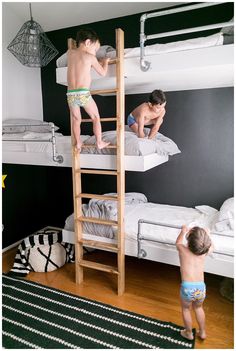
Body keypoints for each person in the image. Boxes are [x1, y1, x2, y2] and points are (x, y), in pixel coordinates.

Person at [67, 28, 110, 150]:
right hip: (83, 93)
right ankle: (99, 142)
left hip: (70, 94)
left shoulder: (70, 53)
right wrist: (105, 62)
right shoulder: (90, 57)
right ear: (87, 42)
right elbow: (102, 73)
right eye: (95, 49)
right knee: (95, 117)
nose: (95, 52)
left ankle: (78, 142)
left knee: (76, 119)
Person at [176, 225, 212, 341]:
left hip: (187, 288)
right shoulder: (204, 253)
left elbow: (178, 242)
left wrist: (183, 232)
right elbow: (211, 246)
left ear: (189, 241)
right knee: (198, 308)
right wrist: (208, 234)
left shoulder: (182, 250)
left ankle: (188, 333)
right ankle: (202, 332)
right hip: (201, 288)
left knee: (186, 309)